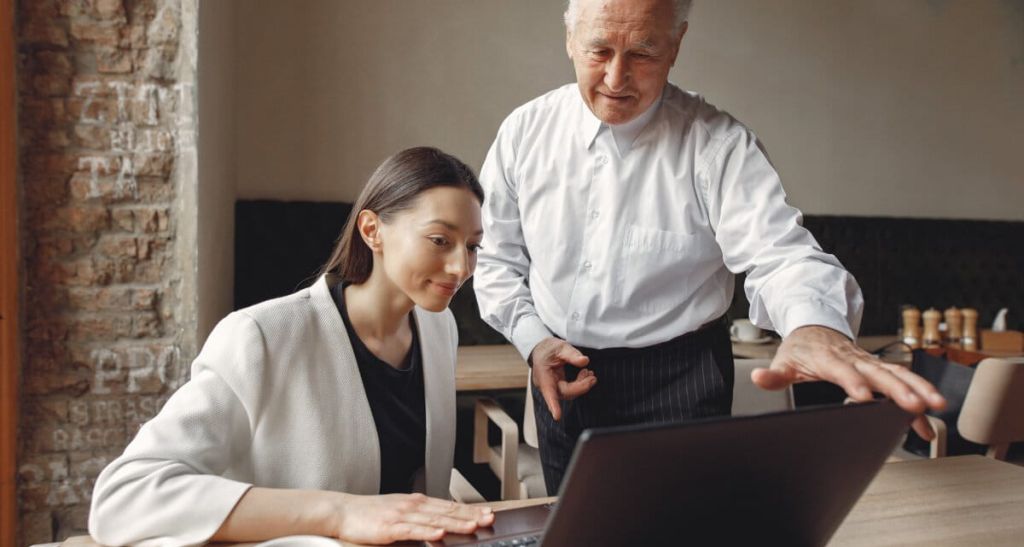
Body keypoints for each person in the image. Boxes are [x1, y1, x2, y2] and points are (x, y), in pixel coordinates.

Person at [473, 0, 947, 493]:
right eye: (599, 50)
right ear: (570, 40)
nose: (616, 77)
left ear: (675, 46)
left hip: (681, 380)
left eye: (642, 52)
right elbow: (494, 259)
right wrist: (533, 340)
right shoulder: (523, 134)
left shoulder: (717, 145)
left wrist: (813, 327)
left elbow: (781, 254)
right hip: (561, 373)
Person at [89, 147, 494, 545]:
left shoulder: (438, 327)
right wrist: (339, 513)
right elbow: (124, 497)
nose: (462, 267)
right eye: (440, 240)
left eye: (473, 246)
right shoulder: (261, 336)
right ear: (372, 230)